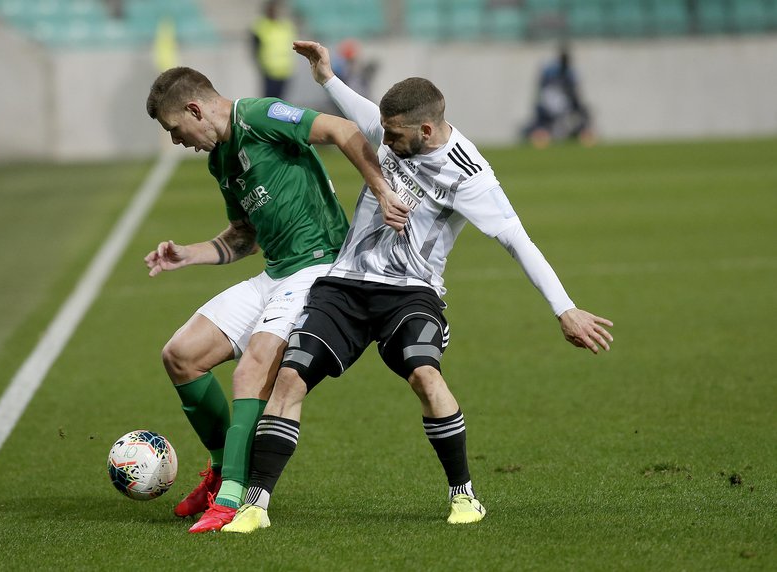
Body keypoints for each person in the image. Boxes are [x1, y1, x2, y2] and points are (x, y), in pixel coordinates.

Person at [222, 41, 614, 533]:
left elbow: (518, 241)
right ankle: (255, 505)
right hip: (344, 285)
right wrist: (325, 77)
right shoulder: (392, 131)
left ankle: (464, 495)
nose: (383, 141)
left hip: (410, 293)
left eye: (393, 133)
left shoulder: (469, 175)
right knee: (290, 378)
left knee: (424, 374)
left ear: (425, 130)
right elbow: (361, 112)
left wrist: (565, 309)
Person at [143, 66, 398, 533]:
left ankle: (234, 500)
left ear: (195, 110)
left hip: (319, 267)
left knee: (252, 368)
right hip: (277, 272)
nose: (178, 141)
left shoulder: (261, 116)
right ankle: (222, 473)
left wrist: (381, 189)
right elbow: (243, 237)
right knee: (180, 355)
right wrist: (188, 254)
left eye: (175, 129)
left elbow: (342, 129)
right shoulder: (219, 160)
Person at [521, 44, 595, 148]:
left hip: (559, 106)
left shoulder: (566, 72)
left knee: (580, 117)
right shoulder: (556, 72)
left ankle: (576, 134)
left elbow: (572, 92)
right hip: (554, 107)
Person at [251, 0, 297, 98]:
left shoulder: (286, 26)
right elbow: (254, 48)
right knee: (269, 101)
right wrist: (261, 66)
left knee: (282, 102)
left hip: (285, 70)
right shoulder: (260, 26)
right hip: (269, 71)